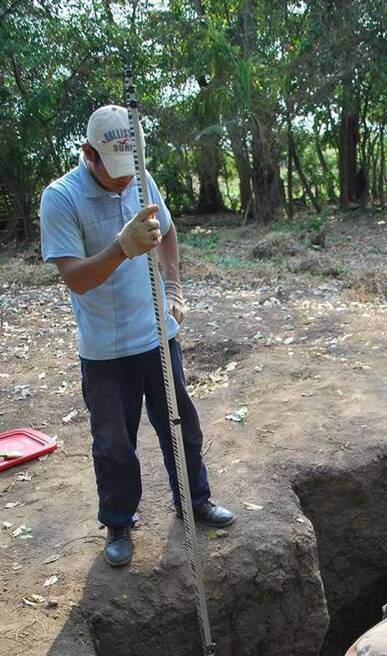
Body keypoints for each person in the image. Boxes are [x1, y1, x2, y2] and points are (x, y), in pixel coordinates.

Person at [39, 105, 234, 568]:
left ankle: (194, 500)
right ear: (89, 154)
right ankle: (119, 522)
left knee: (180, 423)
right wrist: (121, 248)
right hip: (105, 351)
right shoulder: (61, 198)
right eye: (117, 174)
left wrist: (174, 286)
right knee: (114, 443)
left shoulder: (141, 177)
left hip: (157, 336)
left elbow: (167, 232)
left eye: (133, 172)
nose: (127, 183)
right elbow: (77, 278)